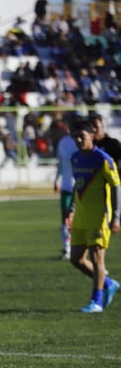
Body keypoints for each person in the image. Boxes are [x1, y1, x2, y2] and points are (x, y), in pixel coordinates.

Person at [65, 119, 121, 313]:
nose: (79, 140)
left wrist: (116, 216)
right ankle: (108, 283)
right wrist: (71, 209)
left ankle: (96, 302)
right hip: (81, 217)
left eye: (82, 136)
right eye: (75, 137)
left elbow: (116, 186)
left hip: (99, 217)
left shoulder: (103, 159)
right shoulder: (75, 158)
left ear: (92, 136)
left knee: (97, 258)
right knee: (76, 259)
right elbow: (77, 185)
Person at [54, 118, 79, 260]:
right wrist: (56, 179)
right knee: (65, 218)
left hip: (81, 187)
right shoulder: (63, 143)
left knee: (79, 219)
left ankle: (79, 247)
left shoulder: (82, 141)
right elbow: (60, 162)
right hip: (66, 186)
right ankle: (67, 249)